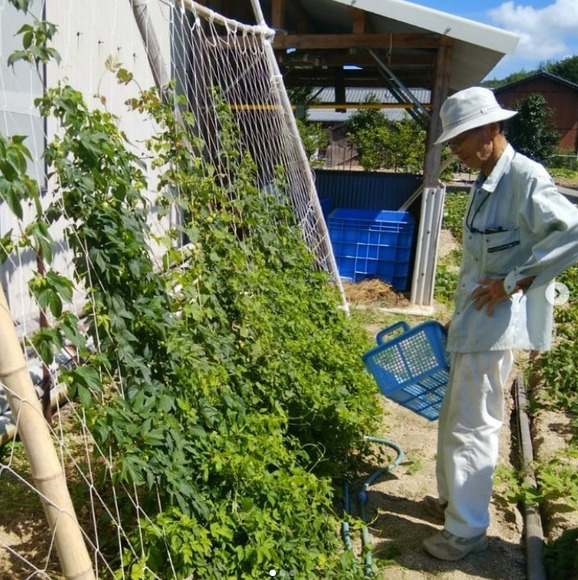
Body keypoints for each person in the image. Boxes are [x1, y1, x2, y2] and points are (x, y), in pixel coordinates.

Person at [422, 86, 578, 561]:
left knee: (476, 423)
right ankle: (452, 501)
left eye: (460, 141)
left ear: (490, 129)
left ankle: (466, 530)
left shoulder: (524, 177)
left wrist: (514, 281)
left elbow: (571, 231)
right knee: (456, 416)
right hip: (474, 320)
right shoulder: (487, 178)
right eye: (452, 144)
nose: (456, 152)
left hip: (495, 325)